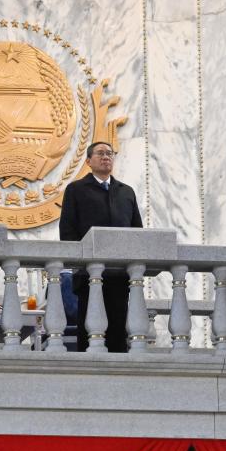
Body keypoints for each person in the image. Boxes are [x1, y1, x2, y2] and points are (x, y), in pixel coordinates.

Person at [59, 142, 143, 353]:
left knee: (118, 332)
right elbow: (67, 231)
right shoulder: (76, 189)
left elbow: (137, 231)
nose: (106, 157)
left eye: (110, 154)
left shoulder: (126, 192)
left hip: (119, 275)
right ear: (88, 161)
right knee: (89, 332)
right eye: (100, 153)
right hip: (89, 275)